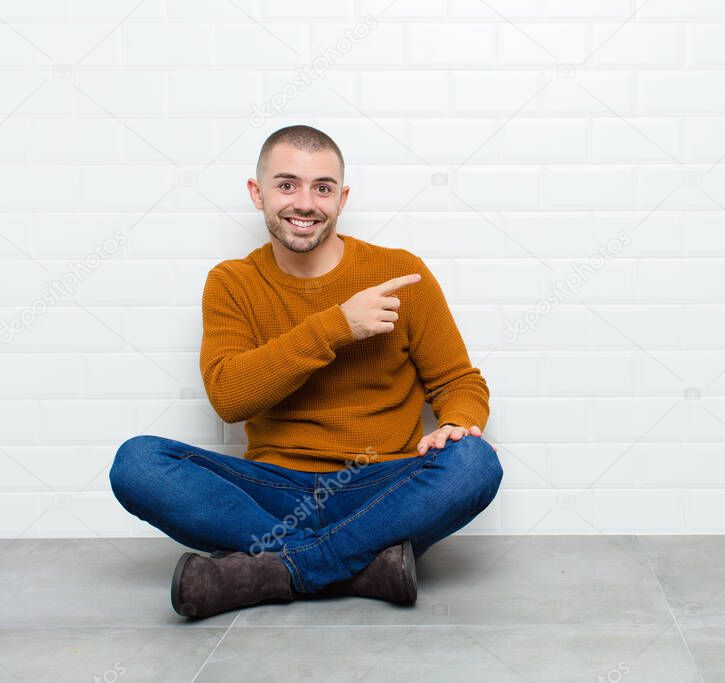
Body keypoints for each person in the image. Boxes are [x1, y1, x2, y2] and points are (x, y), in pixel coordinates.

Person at [108, 124, 503, 619]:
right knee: (137, 463)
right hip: (270, 493)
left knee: (475, 463)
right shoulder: (232, 282)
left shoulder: (400, 274)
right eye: (287, 184)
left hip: (377, 490)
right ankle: (359, 565)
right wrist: (338, 325)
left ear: (342, 198)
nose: (305, 203)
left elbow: (458, 382)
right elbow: (230, 397)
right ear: (258, 193)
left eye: (322, 188)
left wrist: (454, 421)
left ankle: (281, 568)